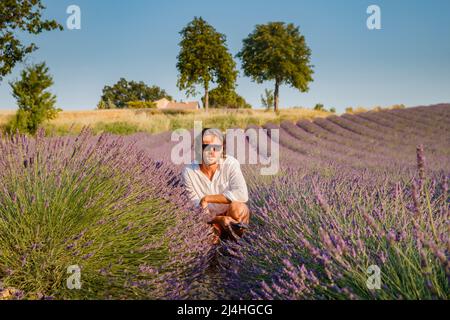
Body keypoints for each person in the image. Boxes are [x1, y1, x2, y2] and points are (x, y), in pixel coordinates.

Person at [182, 128, 250, 244]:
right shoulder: (189, 172)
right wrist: (219, 219)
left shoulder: (231, 164)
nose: (212, 151)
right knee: (209, 237)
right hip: (207, 219)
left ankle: (236, 244)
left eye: (216, 147)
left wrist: (207, 198)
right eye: (206, 146)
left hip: (231, 214)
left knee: (239, 209)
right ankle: (215, 248)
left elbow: (242, 195)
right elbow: (196, 210)